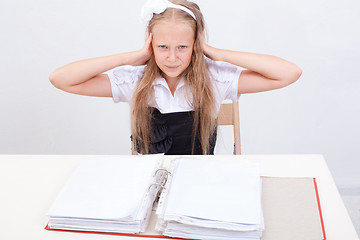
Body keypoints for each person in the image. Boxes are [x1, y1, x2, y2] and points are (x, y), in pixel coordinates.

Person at [49, 0, 302, 155]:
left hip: (200, 183)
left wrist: (218, 53)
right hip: (149, 185)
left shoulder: (215, 79)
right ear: (150, 42)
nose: (172, 58)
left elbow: (288, 73)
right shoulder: (135, 81)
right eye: (162, 47)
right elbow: (61, 79)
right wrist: (129, 57)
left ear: (196, 44)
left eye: (182, 47)